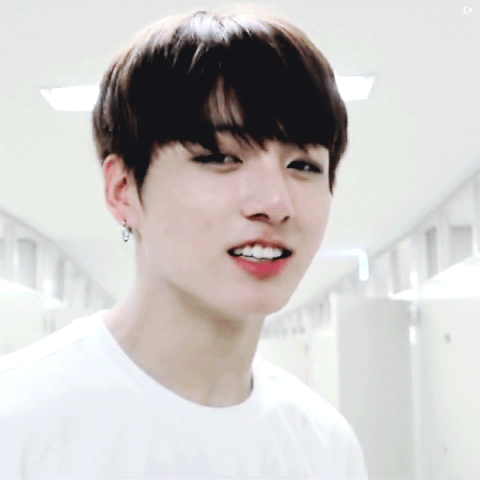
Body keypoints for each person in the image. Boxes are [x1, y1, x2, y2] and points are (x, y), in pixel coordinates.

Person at [0, 7, 368, 479]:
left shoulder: (324, 447)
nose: (275, 204)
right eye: (221, 157)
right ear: (123, 190)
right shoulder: (18, 420)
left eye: (304, 166)